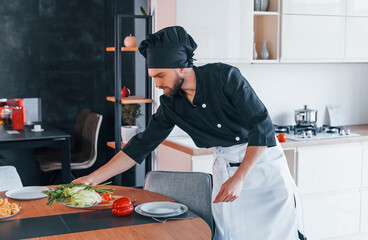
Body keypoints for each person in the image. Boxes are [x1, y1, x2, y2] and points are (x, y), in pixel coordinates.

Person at [74, 26, 306, 240]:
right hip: (226, 168)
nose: (156, 85)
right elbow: (140, 146)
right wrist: (93, 178)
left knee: (276, 232)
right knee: (232, 233)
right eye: (153, 77)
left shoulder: (225, 78)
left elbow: (261, 125)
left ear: (182, 67)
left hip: (262, 166)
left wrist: (240, 177)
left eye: (160, 76)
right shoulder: (171, 105)